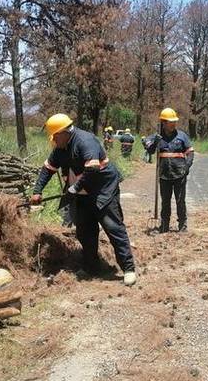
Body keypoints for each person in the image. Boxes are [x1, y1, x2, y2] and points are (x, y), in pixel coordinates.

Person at [30, 113, 137, 286]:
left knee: (113, 227)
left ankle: (128, 268)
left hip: (103, 191)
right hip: (81, 194)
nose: (54, 141)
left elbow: (93, 170)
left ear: (63, 132)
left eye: (55, 137)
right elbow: (47, 169)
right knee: (85, 232)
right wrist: (37, 191)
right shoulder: (60, 148)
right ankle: (91, 267)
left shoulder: (85, 141)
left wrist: (74, 189)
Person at [144, 108, 194, 233]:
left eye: (174, 122)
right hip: (164, 175)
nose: (173, 124)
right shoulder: (157, 137)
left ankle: (182, 225)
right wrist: (155, 142)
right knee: (165, 202)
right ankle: (164, 226)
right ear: (163, 122)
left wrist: (187, 166)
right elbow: (149, 151)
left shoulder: (182, 136)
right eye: (170, 122)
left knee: (180, 201)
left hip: (179, 174)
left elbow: (190, 152)